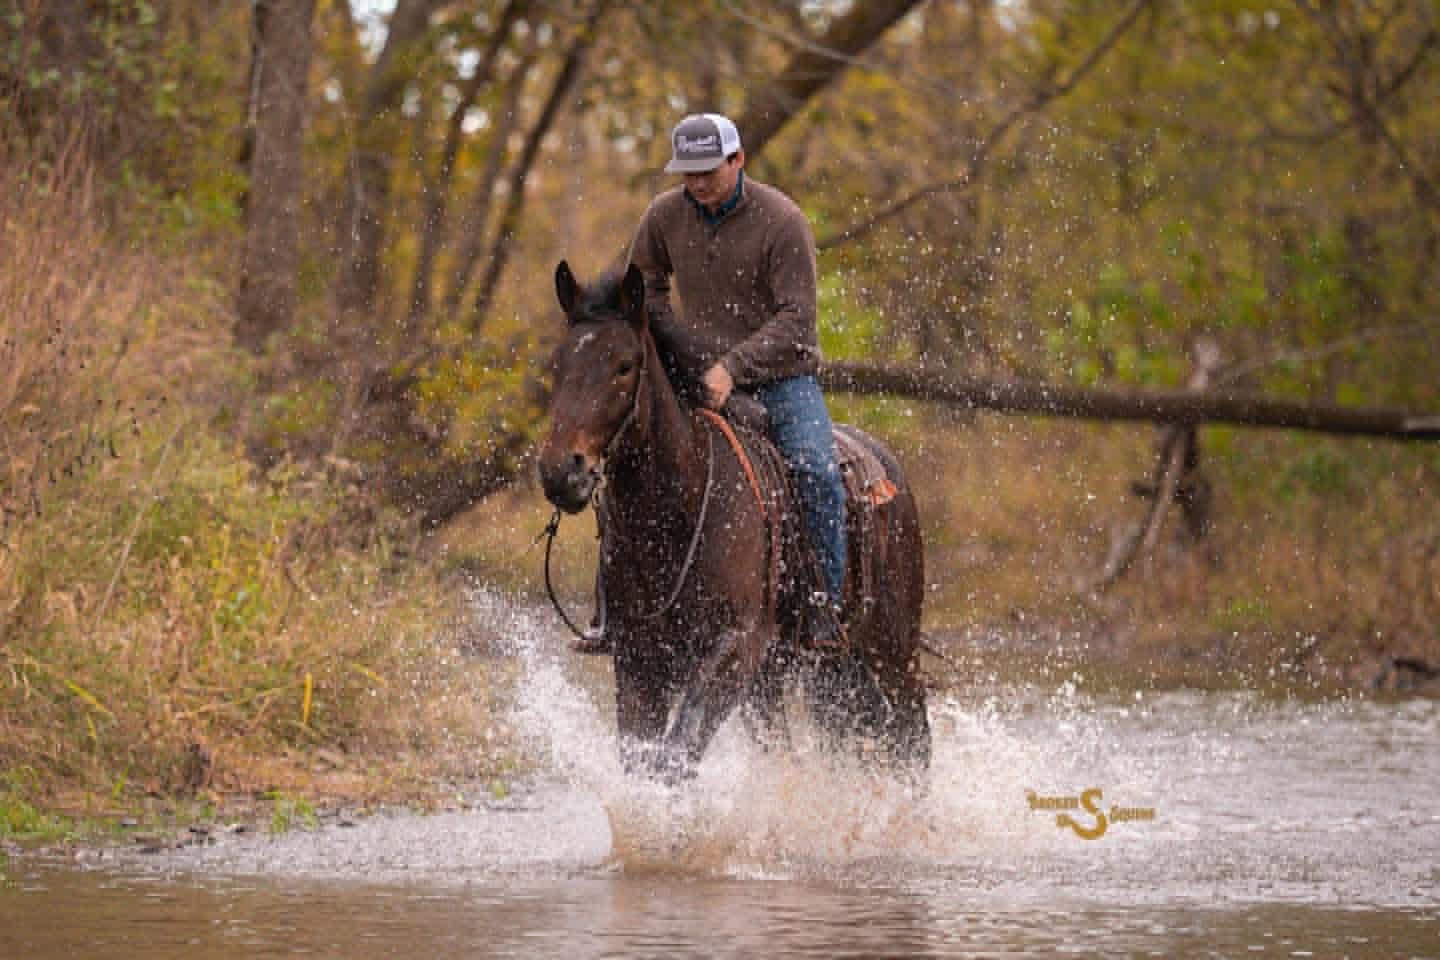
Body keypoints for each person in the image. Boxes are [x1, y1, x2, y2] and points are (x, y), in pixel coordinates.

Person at [600, 112, 848, 649]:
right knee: (626, 459)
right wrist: (682, 347)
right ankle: (612, 610)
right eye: (687, 172)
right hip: (698, 372)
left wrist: (731, 367)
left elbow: (796, 318)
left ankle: (824, 605)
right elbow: (642, 285)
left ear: (738, 160)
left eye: (709, 169)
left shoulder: (782, 220)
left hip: (782, 377)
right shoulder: (664, 216)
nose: (697, 182)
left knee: (814, 469)